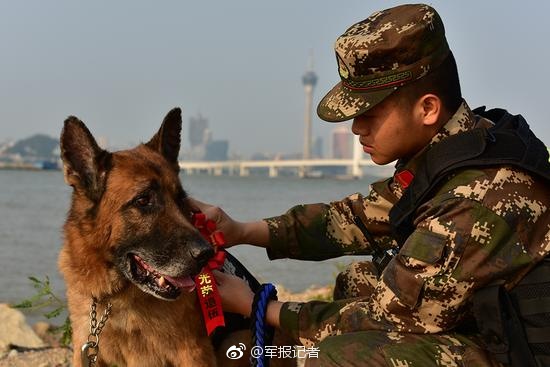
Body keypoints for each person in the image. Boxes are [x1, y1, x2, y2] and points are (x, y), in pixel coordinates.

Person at [192, 4, 550, 366]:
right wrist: (242, 230)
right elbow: (357, 219)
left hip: (515, 353)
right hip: (486, 326)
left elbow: (387, 316)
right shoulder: (456, 149)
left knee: (336, 357)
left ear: (427, 108)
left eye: (370, 113)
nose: (356, 128)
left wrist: (258, 306)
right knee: (358, 280)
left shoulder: (475, 198)